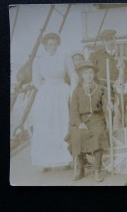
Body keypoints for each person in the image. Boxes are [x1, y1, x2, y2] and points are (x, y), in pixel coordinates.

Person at [31, 33, 77, 170]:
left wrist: (71, 91)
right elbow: (36, 79)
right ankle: (45, 161)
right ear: (45, 45)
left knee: (62, 124)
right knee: (45, 126)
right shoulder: (38, 60)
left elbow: (73, 75)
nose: (52, 46)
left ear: (58, 45)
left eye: (55, 44)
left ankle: (64, 160)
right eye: (50, 44)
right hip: (46, 94)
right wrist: (45, 90)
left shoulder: (65, 57)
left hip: (62, 92)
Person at [67, 61, 110, 182]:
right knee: (77, 135)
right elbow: (73, 110)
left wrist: (109, 106)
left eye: (90, 73)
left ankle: (97, 170)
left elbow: (105, 104)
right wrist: (79, 123)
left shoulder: (101, 88)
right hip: (81, 120)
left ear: (94, 74)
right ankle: (81, 169)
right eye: (85, 73)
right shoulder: (77, 91)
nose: (88, 75)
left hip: (97, 119)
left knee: (98, 134)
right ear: (82, 75)